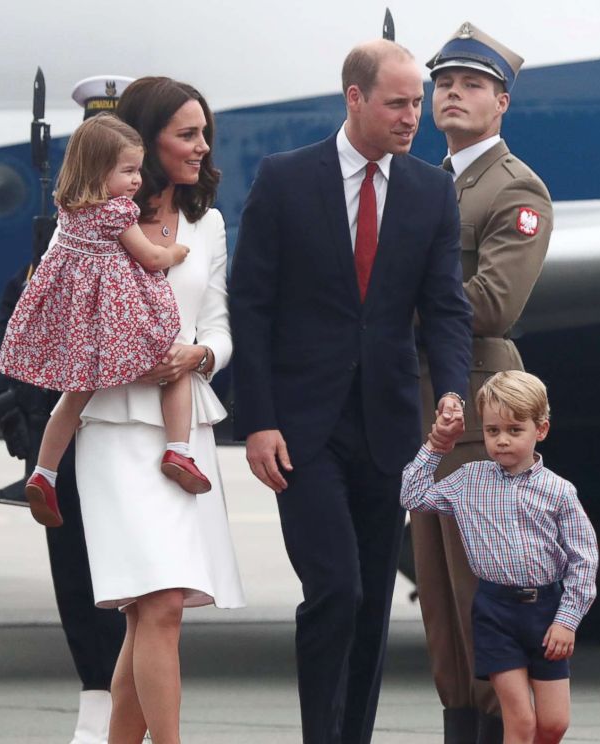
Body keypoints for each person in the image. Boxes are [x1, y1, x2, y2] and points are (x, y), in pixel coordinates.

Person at [229, 38, 473, 744]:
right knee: (334, 589)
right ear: (355, 99)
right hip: (303, 430)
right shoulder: (286, 178)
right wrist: (259, 422)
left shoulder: (430, 190)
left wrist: (452, 389)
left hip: (388, 427)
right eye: (398, 103)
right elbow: (252, 304)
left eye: (417, 103)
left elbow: (447, 307)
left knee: (369, 605)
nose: (412, 117)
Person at [75, 76, 245, 744]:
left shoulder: (208, 225)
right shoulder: (93, 222)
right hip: (116, 426)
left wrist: (198, 358)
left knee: (153, 613)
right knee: (162, 601)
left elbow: (220, 326)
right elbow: (67, 322)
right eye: (186, 133)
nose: (202, 146)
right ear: (146, 142)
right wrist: (130, 355)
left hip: (185, 427)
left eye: (204, 133)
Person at [414, 22, 554, 743]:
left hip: (480, 421)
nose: (453, 95)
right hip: (432, 418)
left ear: (502, 102)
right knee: (441, 612)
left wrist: (395, 298)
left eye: (471, 85)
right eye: (443, 84)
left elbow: (495, 302)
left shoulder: (513, 187)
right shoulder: (428, 182)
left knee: (486, 604)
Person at [0, 74, 133, 744]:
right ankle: (97, 692)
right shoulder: (62, 238)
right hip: (69, 426)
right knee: (76, 568)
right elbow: (19, 327)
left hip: (134, 418)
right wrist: (20, 414)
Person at [0, 112, 211, 527]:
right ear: (99, 171)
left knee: (74, 397)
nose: (136, 181)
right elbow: (149, 257)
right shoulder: (116, 213)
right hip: (116, 321)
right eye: (128, 171)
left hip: (80, 328)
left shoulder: (69, 209)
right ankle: (179, 451)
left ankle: (44, 472)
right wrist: (176, 254)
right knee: (174, 365)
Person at [401, 371, 598, 744]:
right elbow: (412, 496)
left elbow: (583, 560)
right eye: (492, 431)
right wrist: (437, 445)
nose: (502, 440)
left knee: (553, 724)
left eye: (514, 430)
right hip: (495, 613)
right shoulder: (468, 479)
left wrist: (567, 620)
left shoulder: (558, 491)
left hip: (546, 612)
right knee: (520, 722)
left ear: (540, 430)